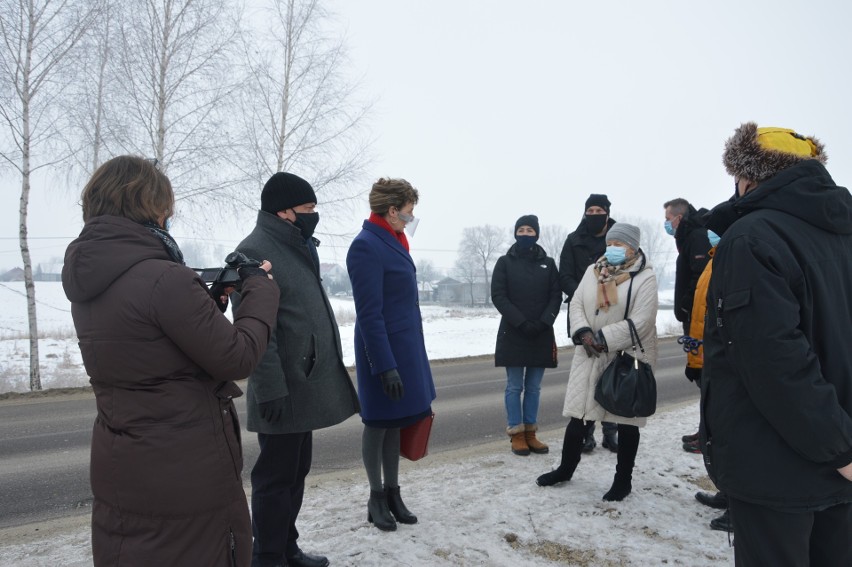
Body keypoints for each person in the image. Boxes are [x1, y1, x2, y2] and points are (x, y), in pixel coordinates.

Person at [61, 156, 279, 566]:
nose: (168, 217)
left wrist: (203, 307)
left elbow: (145, 345)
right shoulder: (166, 278)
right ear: (151, 205)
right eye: (166, 209)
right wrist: (261, 290)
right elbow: (237, 357)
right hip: (184, 469)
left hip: (120, 463)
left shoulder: (90, 278)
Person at [701, 123, 852, 566]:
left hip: (778, 464)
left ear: (749, 176)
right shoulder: (842, 229)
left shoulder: (751, 237)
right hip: (839, 455)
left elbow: (775, 362)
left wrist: (838, 448)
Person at [235, 172, 360, 567]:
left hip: (301, 381)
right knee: (274, 480)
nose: (313, 215)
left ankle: (286, 547)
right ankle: (267, 557)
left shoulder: (295, 244)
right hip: (281, 388)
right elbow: (257, 328)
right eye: (308, 209)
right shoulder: (254, 251)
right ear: (283, 211)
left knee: (295, 472)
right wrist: (269, 387)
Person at [537, 223, 658, 502]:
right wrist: (584, 332)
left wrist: (603, 338)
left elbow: (643, 321)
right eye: (610, 243)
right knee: (579, 415)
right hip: (589, 352)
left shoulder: (645, 277)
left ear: (633, 247)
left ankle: (622, 481)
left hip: (624, 356)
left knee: (626, 420)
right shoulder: (595, 271)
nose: (613, 248)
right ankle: (565, 469)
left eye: (620, 244)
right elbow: (577, 303)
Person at [346, 178, 436, 532]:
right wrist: (384, 366)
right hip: (380, 350)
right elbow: (369, 313)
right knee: (378, 422)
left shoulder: (397, 239)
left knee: (397, 421)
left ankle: (394, 493)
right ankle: (376, 497)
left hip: (406, 347)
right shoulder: (366, 245)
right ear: (392, 210)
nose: (412, 218)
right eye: (409, 211)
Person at [491, 215, 562, 456]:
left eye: (529, 230)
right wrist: (521, 322)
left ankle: (531, 433)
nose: (525, 233)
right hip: (513, 331)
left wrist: (544, 322)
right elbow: (499, 296)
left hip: (541, 333)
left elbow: (556, 295)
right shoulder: (504, 262)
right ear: (515, 233)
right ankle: (516, 433)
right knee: (514, 386)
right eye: (521, 229)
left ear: (537, 234)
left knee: (534, 387)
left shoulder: (549, 263)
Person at [559, 194, 619, 453]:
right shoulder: (573, 240)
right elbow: (565, 276)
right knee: (587, 378)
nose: (594, 214)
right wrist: (587, 294)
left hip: (614, 314)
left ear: (607, 212)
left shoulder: (618, 241)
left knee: (613, 375)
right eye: (590, 210)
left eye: (599, 210)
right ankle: (587, 432)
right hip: (583, 314)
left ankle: (611, 431)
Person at [662, 197, 711, 453]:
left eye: (668, 219)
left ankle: (709, 436)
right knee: (701, 379)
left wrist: (684, 304)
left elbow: (700, 275)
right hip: (693, 320)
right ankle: (705, 430)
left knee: (707, 379)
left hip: (700, 321)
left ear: (679, 218)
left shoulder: (697, 236)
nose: (666, 224)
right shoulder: (688, 237)